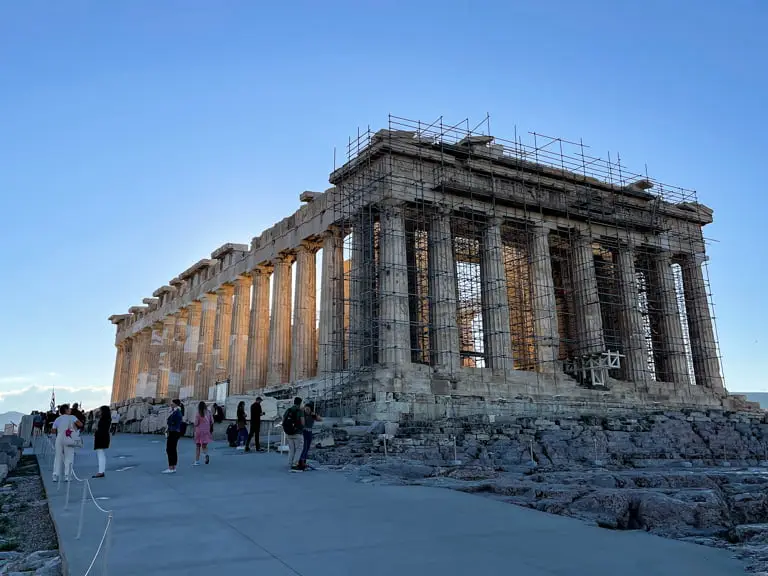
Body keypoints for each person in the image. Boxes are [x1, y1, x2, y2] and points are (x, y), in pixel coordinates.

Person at [51, 404, 83, 482]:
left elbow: (53, 430)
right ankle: (67, 476)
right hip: (69, 437)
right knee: (69, 457)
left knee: (58, 456)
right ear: (66, 410)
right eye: (69, 409)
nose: (70, 410)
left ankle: (55, 475)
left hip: (59, 437)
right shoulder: (72, 417)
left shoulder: (58, 419)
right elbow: (80, 424)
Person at [297, 401, 322, 471]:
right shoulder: (303, 414)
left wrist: (315, 415)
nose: (307, 410)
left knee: (307, 447)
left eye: (308, 409)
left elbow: (320, 419)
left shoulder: (312, 415)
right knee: (304, 447)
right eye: (306, 409)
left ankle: (304, 461)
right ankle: (300, 462)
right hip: (304, 432)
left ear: (311, 409)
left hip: (310, 432)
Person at [281, 397, 305, 471]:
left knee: (291, 449)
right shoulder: (300, 411)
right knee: (299, 449)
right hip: (297, 433)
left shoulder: (288, 410)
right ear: (300, 403)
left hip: (288, 433)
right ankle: (295, 464)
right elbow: (303, 423)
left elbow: (283, 420)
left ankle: (290, 463)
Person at [163, 399, 183, 474]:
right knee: (173, 449)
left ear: (176, 404)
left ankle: (171, 467)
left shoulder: (177, 412)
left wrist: (169, 421)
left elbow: (172, 421)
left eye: (172, 403)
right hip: (174, 432)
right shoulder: (175, 411)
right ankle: (173, 466)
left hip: (174, 432)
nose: (171, 405)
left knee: (170, 449)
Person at [92, 406, 111, 478]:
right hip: (104, 436)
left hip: (101, 437)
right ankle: (101, 471)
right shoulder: (107, 418)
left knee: (100, 454)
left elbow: (98, 427)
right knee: (101, 454)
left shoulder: (103, 419)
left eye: (100, 411)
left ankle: (101, 471)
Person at [193, 401, 213, 466]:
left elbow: (196, 423)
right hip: (206, 431)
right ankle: (206, 454)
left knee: (198, 446)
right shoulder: (209, 412)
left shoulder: (198, 413)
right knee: (204, 446)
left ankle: (197, 461)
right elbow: (212, 421)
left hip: (199, 431)